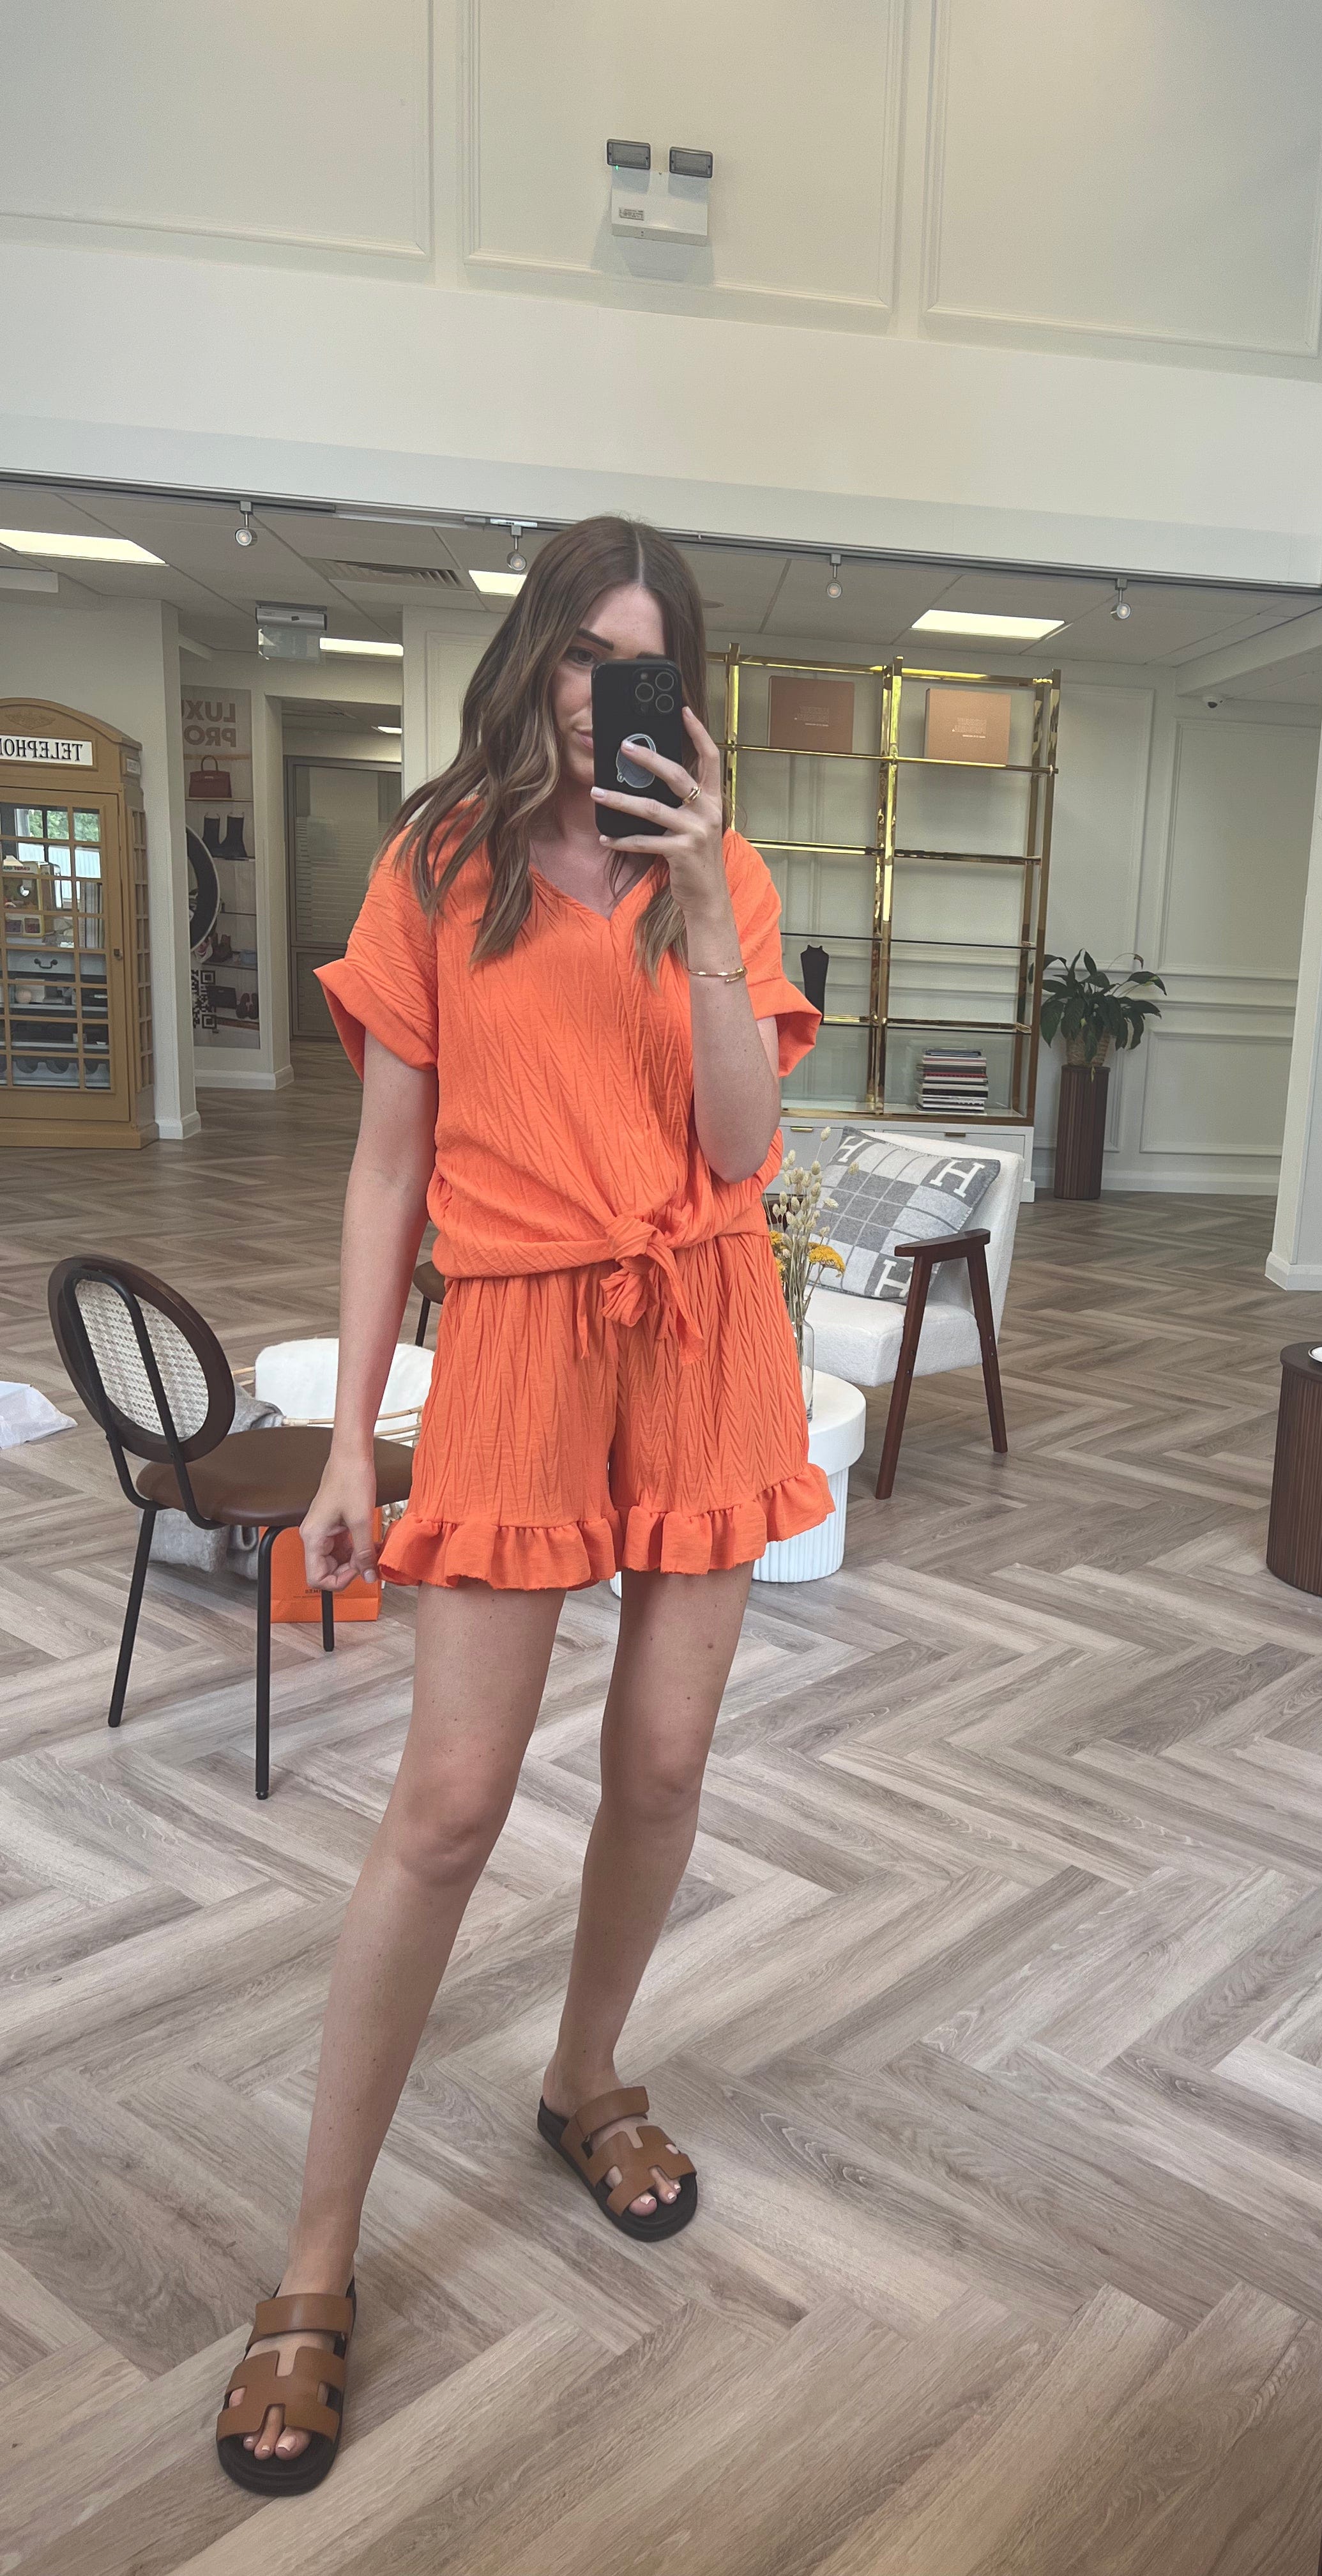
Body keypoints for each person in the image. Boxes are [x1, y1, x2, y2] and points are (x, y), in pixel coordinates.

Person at [214, 516, 833, 2494]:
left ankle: (585, 2075)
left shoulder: (724, 874)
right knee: (450, 1803)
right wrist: (348, 1441)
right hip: (514, 1345)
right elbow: (387, 1171)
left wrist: (706, 908)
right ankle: (316, 2259)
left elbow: (741, 1142)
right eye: (575, 653)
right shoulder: (439, 866)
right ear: (531, 659)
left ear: (680, 690)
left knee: (662, 1762)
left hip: (705, 1327)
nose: (596, 696)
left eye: (636, 663)